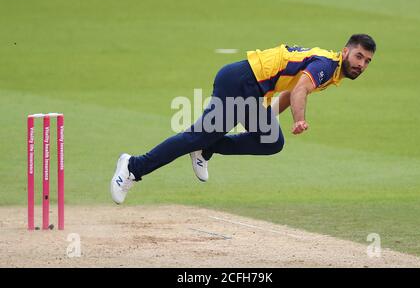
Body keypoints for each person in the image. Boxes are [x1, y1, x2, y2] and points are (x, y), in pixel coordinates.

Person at [110, 34, 376, 204]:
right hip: (241, 82)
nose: (361, 64)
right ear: (345, 51)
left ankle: (207, 147)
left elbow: (287, 90)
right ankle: (133, 166)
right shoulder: (327, 65)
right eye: (358, 56)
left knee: (271, 140)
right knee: (195, 137)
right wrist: (299, 119)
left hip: (251, 88)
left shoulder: (333, 70)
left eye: (367, 61)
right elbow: (300, 89)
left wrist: (266, 121)